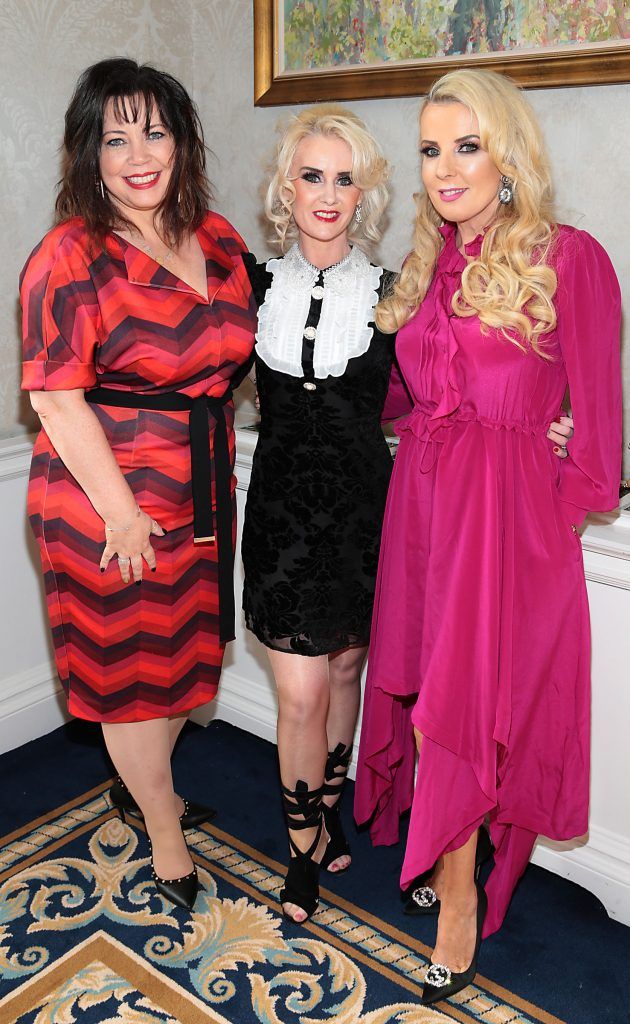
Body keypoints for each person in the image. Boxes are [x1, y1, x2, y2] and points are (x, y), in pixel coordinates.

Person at [354, 68, 621, 1004]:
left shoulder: (572, 257)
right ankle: (448, 861)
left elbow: (600, 421)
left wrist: (558, 474)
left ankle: (459, 900)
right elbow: (405, 395)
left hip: (509, 525)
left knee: (468, 714)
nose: (446, 168)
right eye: (431, 149)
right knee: (436, 699)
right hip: (424, 511)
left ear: (508, 154)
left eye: (467, 145)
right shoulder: (429, 265)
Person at [20, 58, 256, 911]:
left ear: (183, 140)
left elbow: (254, 353)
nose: (137, 154)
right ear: (88, 155)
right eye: (113, 138)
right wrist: (122, 515)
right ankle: (162, 828)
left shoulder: (221, 238)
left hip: (199, 492)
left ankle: (142, 786)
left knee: (177, 667)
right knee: (129, 680)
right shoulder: (71, 252)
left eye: (153, 131)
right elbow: (53, 393)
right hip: (104, 503)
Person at [241, 105, 405, 923]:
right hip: (278, 514)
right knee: (299, 693)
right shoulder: (253, 284)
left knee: (345, 670)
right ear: (287, 186)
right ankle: (303, 844)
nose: (329, 193)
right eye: (313, 175)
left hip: (361, 516)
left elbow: (450, 390)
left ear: (365, 190)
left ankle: (329, 803)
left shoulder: (390, 293)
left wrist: (550, 425)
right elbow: (191, 373)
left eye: (346, 178)